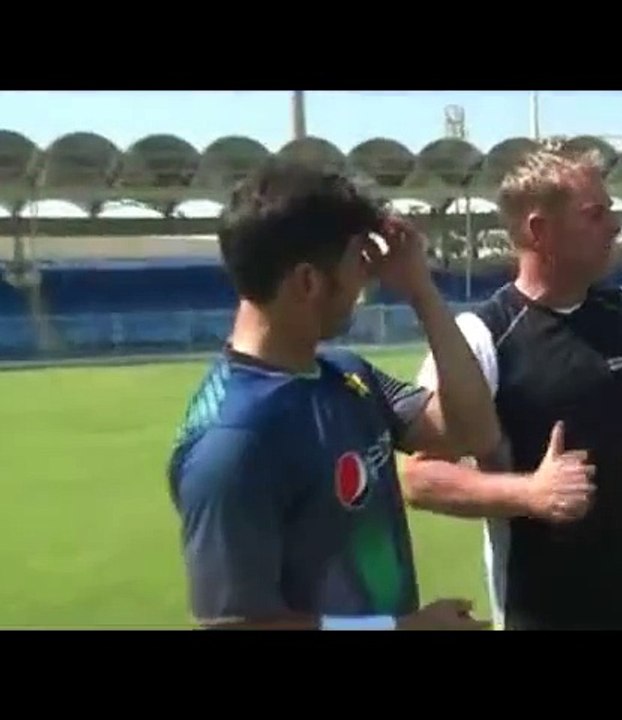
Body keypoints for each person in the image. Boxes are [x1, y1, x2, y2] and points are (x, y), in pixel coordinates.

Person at [166, 159, 501, 630]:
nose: (367, 280)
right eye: (357, 262)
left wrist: (421, 289)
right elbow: (234, 625)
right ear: (307, 282)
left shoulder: (346, 374)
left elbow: (472, 431)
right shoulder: (231, 441)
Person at [406, 148, 622, 631]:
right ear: (539, 231)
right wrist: (530, 494)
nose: (614, 226)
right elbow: (417, 477)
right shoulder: (482, 338)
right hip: (539, 609)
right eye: (595, 214)